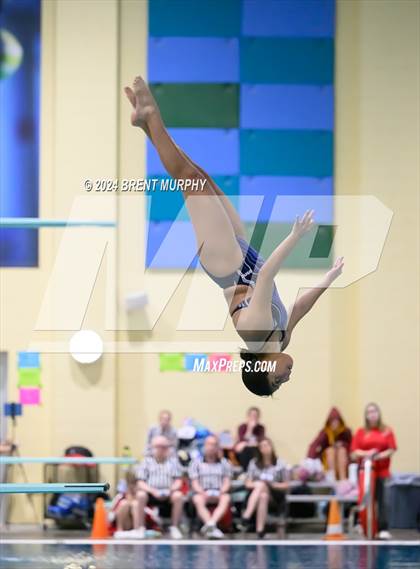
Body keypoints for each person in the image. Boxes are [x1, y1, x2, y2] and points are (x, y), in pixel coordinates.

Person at [124, 76, 345, 397]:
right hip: (244, 256)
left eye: (277, 380)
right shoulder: (280, 339)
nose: (286, 377)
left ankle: (151, 114)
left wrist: (296, 235)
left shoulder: (255, 333)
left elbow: (268, 275)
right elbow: (298, 308)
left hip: (225, 262)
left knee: (192, 181)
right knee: (201, 177)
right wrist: (329, 277)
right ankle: (146, 125)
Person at [351, 402, 397, 540]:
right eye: (369, 412)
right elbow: (354, 452)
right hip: (365, 472)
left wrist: (377, 455)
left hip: (381, 471)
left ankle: (382, 528)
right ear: (366, 415)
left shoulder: (386, 431)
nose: (372, 414)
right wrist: (367, 453)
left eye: (374, 411)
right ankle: (363, 524)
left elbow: (391, 449)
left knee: (382, 500)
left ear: (379, 414)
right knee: (365, 497)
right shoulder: (361, 432)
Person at [128, 436, 184, 539]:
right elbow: (140, 482)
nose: (161, 449)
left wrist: (171, 490)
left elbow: (178, 481)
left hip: (168, 493)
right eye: (158, 447)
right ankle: (140, 527)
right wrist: (153, 491)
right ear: (153, 447)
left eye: (164, 447)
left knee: (178, 495)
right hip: (151, 493)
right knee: (140, 495)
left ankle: (174, 527)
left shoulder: (173, 462)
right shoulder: (146, 462)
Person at [238, 438, 289, 538]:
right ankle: (260, 530)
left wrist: (273, 485)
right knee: (263, 495)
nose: (265, 448)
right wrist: (258, 484)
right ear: (259, 449)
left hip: (275, 495)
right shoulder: (254, 463)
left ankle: (246, 516)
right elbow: (247, 483)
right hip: (257, 495)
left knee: (263, 487)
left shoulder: (280, 463)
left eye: (267, 445)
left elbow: (286, 484)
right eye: (262, 446)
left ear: (271, 447)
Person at [189, 435, 232, 539]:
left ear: (218, 447)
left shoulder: (225, 463)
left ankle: (211, 524)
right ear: (204, 446)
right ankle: (212, 526)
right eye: (209, 444)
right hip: (202, 492)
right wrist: (202, 492)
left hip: (219, 492)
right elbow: (194, 483)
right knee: (197, 499)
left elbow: (227, 481)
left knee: (226, 497)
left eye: (214, 444)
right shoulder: (196, 463)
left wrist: (222, 491)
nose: (211, 447)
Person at [307, 407, 352, 481]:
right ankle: (332, 478)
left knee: (342, 451)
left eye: (336, 421)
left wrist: (343, 444)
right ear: (329, 422)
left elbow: (352, 446)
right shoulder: (325, 432)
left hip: (343, 460)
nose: (334, 424)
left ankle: (343, 478)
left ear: (340, 421)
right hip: (329, 460)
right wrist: (309, 459)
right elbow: (315, 444)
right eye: (332, 421)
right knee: (330, 451)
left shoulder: (346, 431)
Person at [112, 470, 141, 536]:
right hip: (125, 523)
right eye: (130, 483)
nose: (132, 486)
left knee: (135, 504)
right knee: (124, 503)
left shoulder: (141, 497)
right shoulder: (120, 497)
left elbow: (150, 513)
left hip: (135, 524)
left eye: (134, 484)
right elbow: (112, 511)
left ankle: (137, 530)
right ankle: (120, 529)